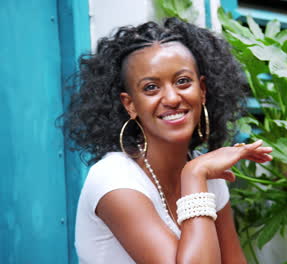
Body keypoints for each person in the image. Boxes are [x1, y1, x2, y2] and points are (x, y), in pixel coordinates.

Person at [63, 18, 273, 263]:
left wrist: (197, 172)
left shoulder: (208, 179)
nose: (172, 98)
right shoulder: (115, 180)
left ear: (202, 90)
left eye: (182, 81)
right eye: (151, 87)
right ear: (130, 104)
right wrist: (194, 175)